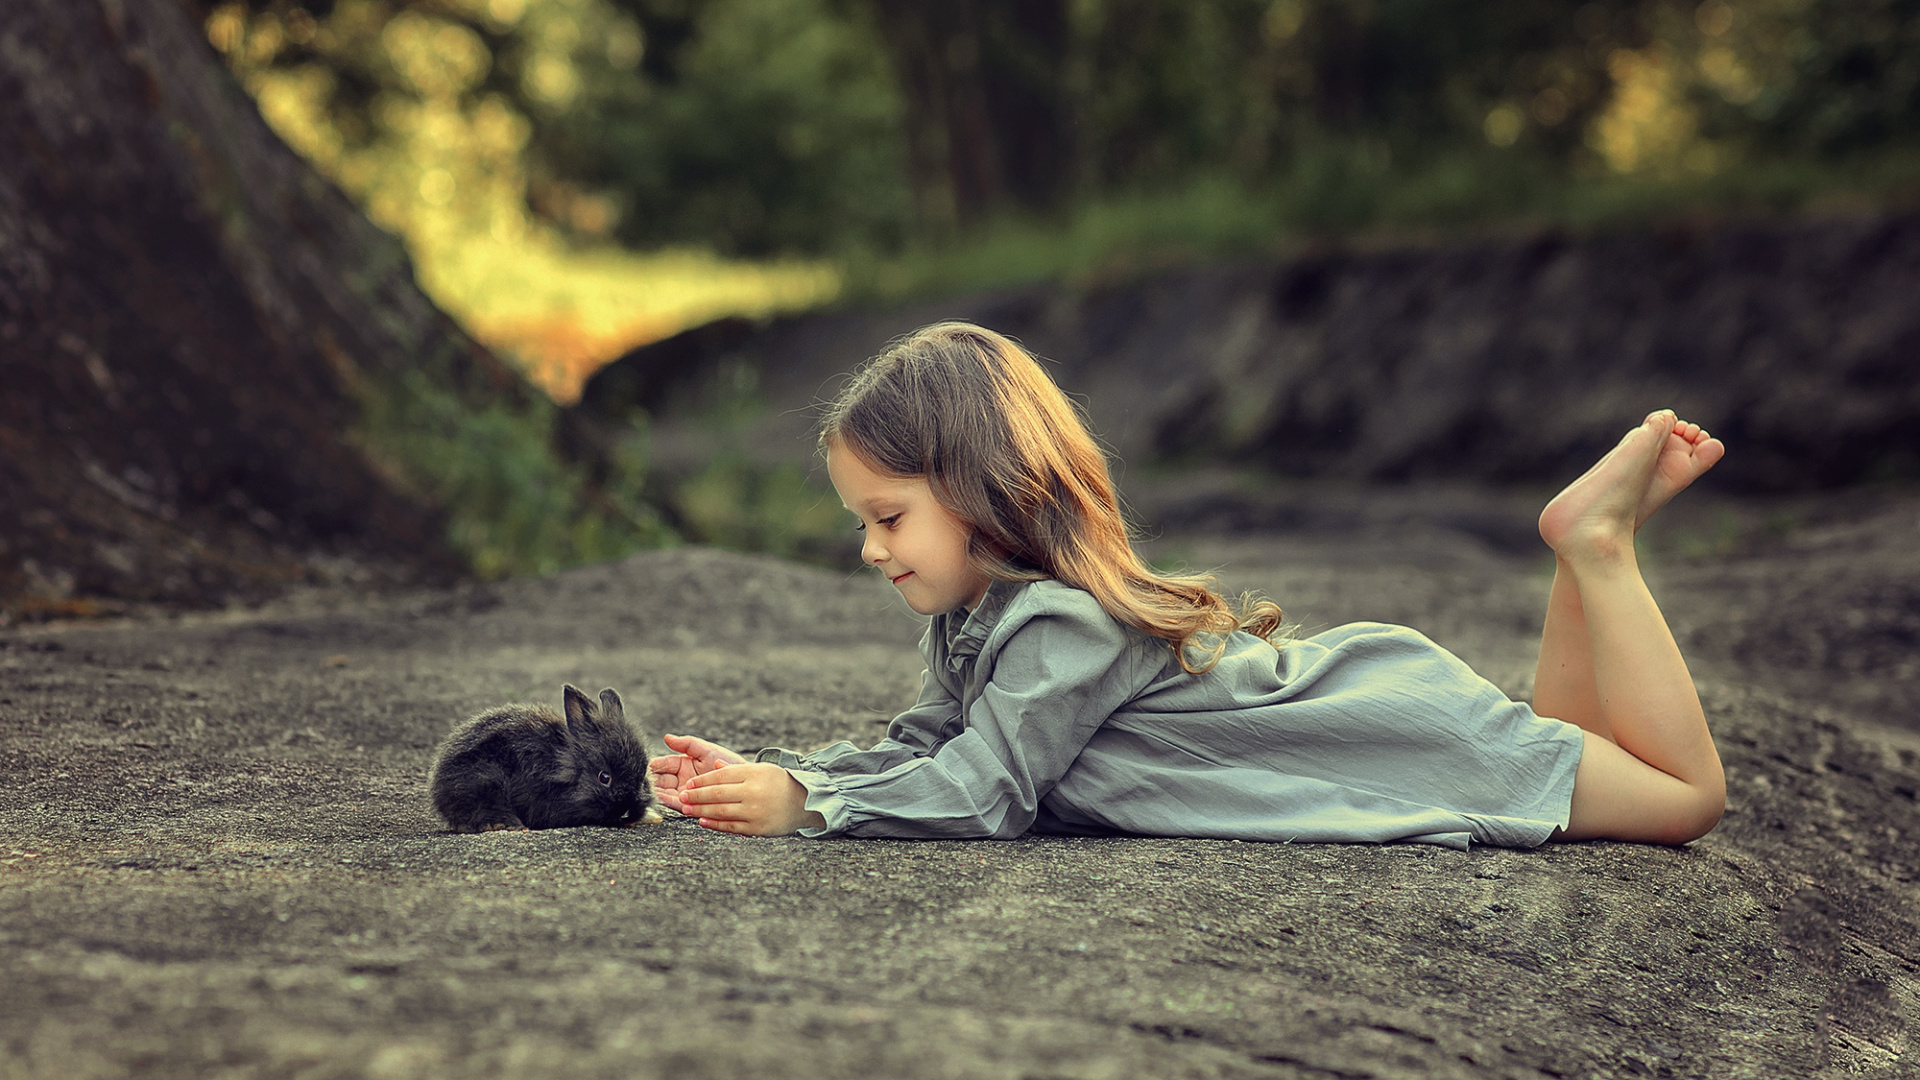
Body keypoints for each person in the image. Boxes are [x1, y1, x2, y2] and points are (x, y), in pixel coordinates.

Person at [647, 322, 1727, 848]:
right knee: (1567, 744)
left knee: (1682, 800)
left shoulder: (1061, 625)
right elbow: (926, 750)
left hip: (1385, 739)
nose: (874, 549)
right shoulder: (982, 619)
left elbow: (988, 791)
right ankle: (1576, 549)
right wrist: (779, 776)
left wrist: (808, 809)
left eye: (889, 517)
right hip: (1379, 716)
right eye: (863, 524)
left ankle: (1597, 550)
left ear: (985, 488)